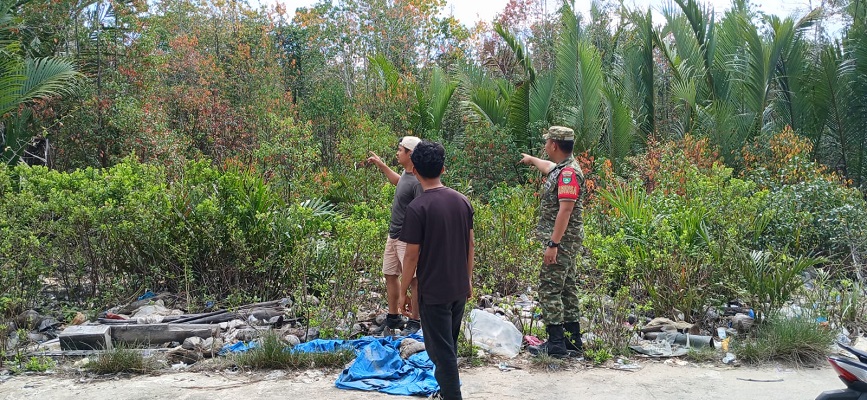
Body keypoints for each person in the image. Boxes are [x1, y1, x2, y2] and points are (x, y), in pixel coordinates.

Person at [398, 140, 474, 400]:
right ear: (443, 168)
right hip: (457, 289)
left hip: (434, 293)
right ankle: (445, 393)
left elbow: (410, 257)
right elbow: (470, 245)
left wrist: (402, 292)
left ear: (415, 170)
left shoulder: (418, 208)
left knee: (442, 354)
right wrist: (469, 279)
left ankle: (452, 396)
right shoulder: (462, 202)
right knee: (447, 347)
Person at [518, 126, 585, 358]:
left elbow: (565, 211)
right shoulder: (563, 169)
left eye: (547, 142)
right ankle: (573, 341)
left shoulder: (569, 174)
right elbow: (548, 167)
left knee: (549, 288)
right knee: (567, 289)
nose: (545, 146)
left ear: (554, 145)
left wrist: (553, 245)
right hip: (566, 241)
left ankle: (556, 343)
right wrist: (531, 160)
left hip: (562, 242)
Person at [367, 136, 423, 335]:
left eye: (400, 150)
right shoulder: (407, 174)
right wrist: (382, 166)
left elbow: (421, 209)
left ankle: (415, 320)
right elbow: (398, 183)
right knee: (390, 274)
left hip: (407, 237)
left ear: (410, 154)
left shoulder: (418, 180)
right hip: (394, 234)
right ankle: (393, 318)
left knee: (414, 280)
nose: (397, 153)